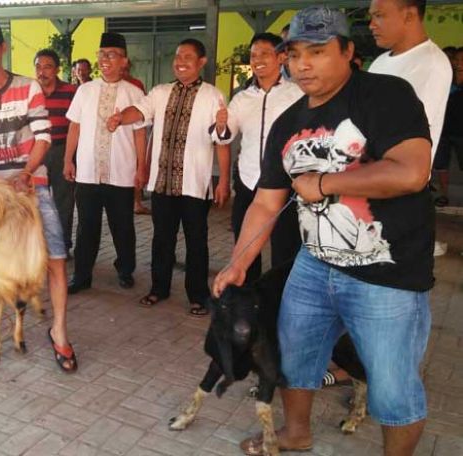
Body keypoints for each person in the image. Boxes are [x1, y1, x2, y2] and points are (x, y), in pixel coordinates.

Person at [214, 6, 434, 455]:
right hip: (313, 266)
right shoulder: (288, 122)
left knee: (393, 391)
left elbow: (413, 171)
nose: (303, 64)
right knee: (296, 359)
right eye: (294, 54)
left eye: (317, 51)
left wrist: (325, 183)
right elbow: (265, 202)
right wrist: (238, 262)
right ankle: (297, 434)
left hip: (385, 276)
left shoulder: (385, 95)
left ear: (348, 51)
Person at [0, 18, 76, 374]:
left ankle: (60, 330)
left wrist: (25, 174)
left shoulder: (28, 87)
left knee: (55, 257)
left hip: (32, 184)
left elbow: (43, 137)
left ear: (2, 48)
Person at [107, 38, 230, 316]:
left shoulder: (213, 95)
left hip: (194, 185)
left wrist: (223, 180)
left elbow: (221, 139)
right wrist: (119, 118)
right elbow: (139, 111)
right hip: (162, 183)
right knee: (162, 239)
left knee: (196, 241)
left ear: (201, 62)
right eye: (177, 56)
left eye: (188, 57)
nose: (181, 61)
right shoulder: (161, 92)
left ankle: (198, 295)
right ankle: (158, 288)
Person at [63, 32, 147, 294]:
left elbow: (140, 132)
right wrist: (68, 159)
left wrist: (141, 168)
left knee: (122, 225)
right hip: (88, 172)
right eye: (102, 54)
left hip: (121, 172)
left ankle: (125, 270)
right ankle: (82, 275)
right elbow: (74, 127)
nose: (105, 59)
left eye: (112, 55)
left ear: (124, 61)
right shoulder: (85, 90)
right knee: (87, 226)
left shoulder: (134, 92)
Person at [218, 32, 303, 284]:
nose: (257, 59)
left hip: (286, 183)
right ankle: (247, 303)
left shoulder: (296, 94)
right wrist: (222, 125)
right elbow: (225, 136)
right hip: (248, 180)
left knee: (285, 249)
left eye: (265, 53)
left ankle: (282, 305)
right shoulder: (242, 98)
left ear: (281, 57)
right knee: (246, 247)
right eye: (254, 55)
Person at [368, 0, 452, 236]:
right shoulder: (380, 61)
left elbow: (401, 134)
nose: (371, 24)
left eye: (379, 16)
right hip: (369, 182)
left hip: (398, 190)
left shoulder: (431, 63)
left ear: (409, 15)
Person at [34, 49, 77, 257]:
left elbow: (77, 126)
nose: (42, 72)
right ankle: (38, 246)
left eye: (47, 67)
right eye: (38, 67)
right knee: (35, 201)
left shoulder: (71, 91)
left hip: (62, 152)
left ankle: (63, 246)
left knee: (64, 201)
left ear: (57, 69)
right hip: (36, 154)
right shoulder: (30, 93)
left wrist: (70, 158)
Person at [432, 47, 463, 207]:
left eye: (461, 60)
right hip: (443, 130)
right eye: (456, 60)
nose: (458, 63)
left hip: (461, 132)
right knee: (441, 165)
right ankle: (444, 195)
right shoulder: (445, 79)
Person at [121, 60, 151, 215]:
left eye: (126, 69)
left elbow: (144, 109)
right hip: (118, 136)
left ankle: (137, 202)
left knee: (136, 166)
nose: (124, 72)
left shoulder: (136, 86)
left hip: (134, 133)